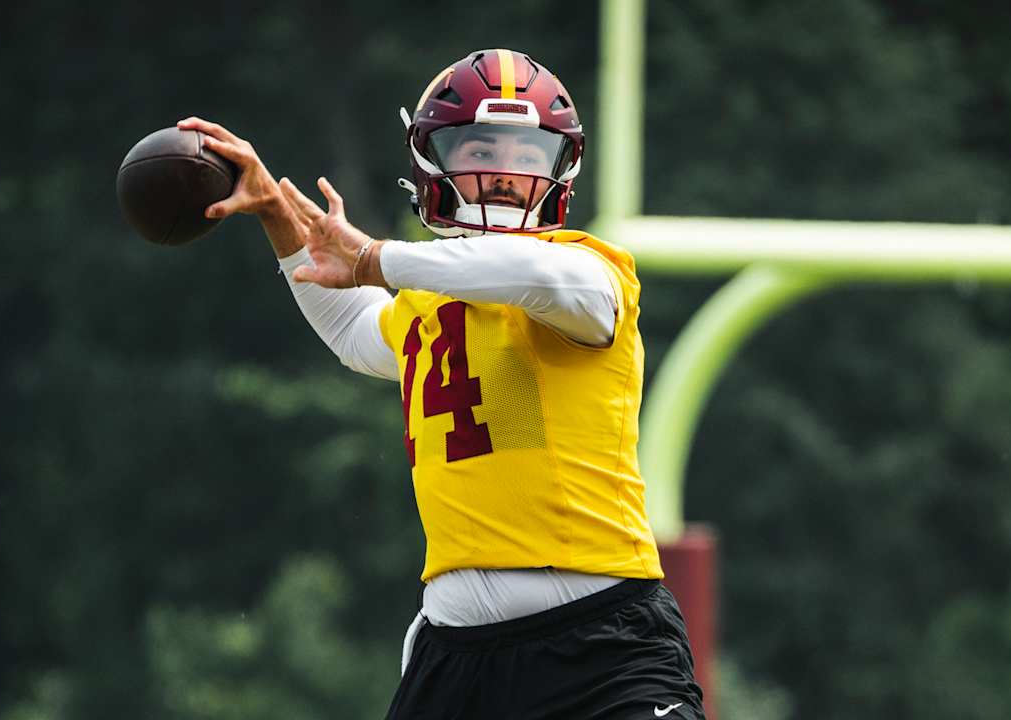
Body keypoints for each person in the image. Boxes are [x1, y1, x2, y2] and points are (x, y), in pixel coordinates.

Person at [178, 48, 704, 719]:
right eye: (478, 148)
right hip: (455, 657)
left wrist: (374, 256)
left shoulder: (592, 272)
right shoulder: (422, 303)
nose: (504, 173)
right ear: (432, 163)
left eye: (526, 153)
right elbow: (351, 328)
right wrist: (278, 215)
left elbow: (535, 277)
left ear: (561, 169)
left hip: (600, 645)